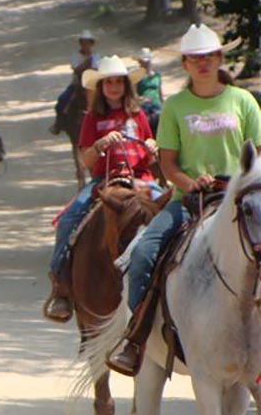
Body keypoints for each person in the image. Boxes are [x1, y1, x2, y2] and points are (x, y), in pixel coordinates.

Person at [108, 24, 261, 376]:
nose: (203, 64)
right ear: (186, 64)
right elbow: (167, 162)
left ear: (220, 59)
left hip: (242, 199)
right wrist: (191, 183)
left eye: (208, 57)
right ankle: (136, 337)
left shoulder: (243, 101)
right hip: (190, 199)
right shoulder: (176, 106)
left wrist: (240, 182)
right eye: (195, 59)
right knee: (145, 252)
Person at [44, 55, 160, 322]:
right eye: (109, 83)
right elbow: (86, 160)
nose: (115, 87)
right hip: (103, 181)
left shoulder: (137, 114)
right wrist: (101, 145)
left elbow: (149, 153)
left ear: (126, 86)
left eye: (119, 82)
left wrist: (152, 148)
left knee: (171, 214)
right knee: (68, 221)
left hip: (140, 179)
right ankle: (61, 287)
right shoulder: (93, 119)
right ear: (101, 87)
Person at [49, 30, 101, 135]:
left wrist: (87, 67)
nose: (85, 45)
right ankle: (58, 124)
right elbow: (77, 70)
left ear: (91, 44)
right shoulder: (76, 56)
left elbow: (96, 70)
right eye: (83, 42)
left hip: (92, 83)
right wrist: (87, 63)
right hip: (77, 83)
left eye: (87, 42)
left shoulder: (96, 56)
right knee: (62, 99)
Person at [135, 47, 164, 134]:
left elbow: (160, 92)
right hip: (144, 107)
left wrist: (163, 104)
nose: (146, 63)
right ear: (140, 62)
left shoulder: (157, 76)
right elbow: (133, 95)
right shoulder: (137, 77)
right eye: (144, 62)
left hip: (156, 106)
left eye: (147, 61)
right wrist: (142, 99)